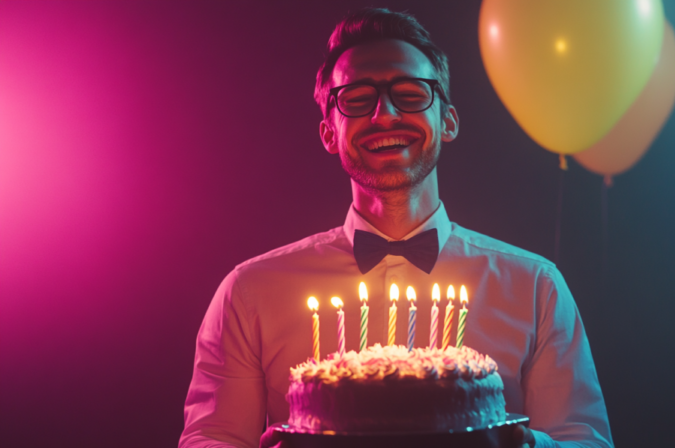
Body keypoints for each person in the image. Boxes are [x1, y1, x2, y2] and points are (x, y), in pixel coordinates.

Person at [180, 8, 613, 448]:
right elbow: (210, 438)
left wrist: (518, 444)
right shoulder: (249, 292)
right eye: (356, 97)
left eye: (409, 93)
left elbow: (585, 440)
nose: (384, 115)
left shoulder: (535, 287)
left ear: (448, 121)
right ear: (330, 132)